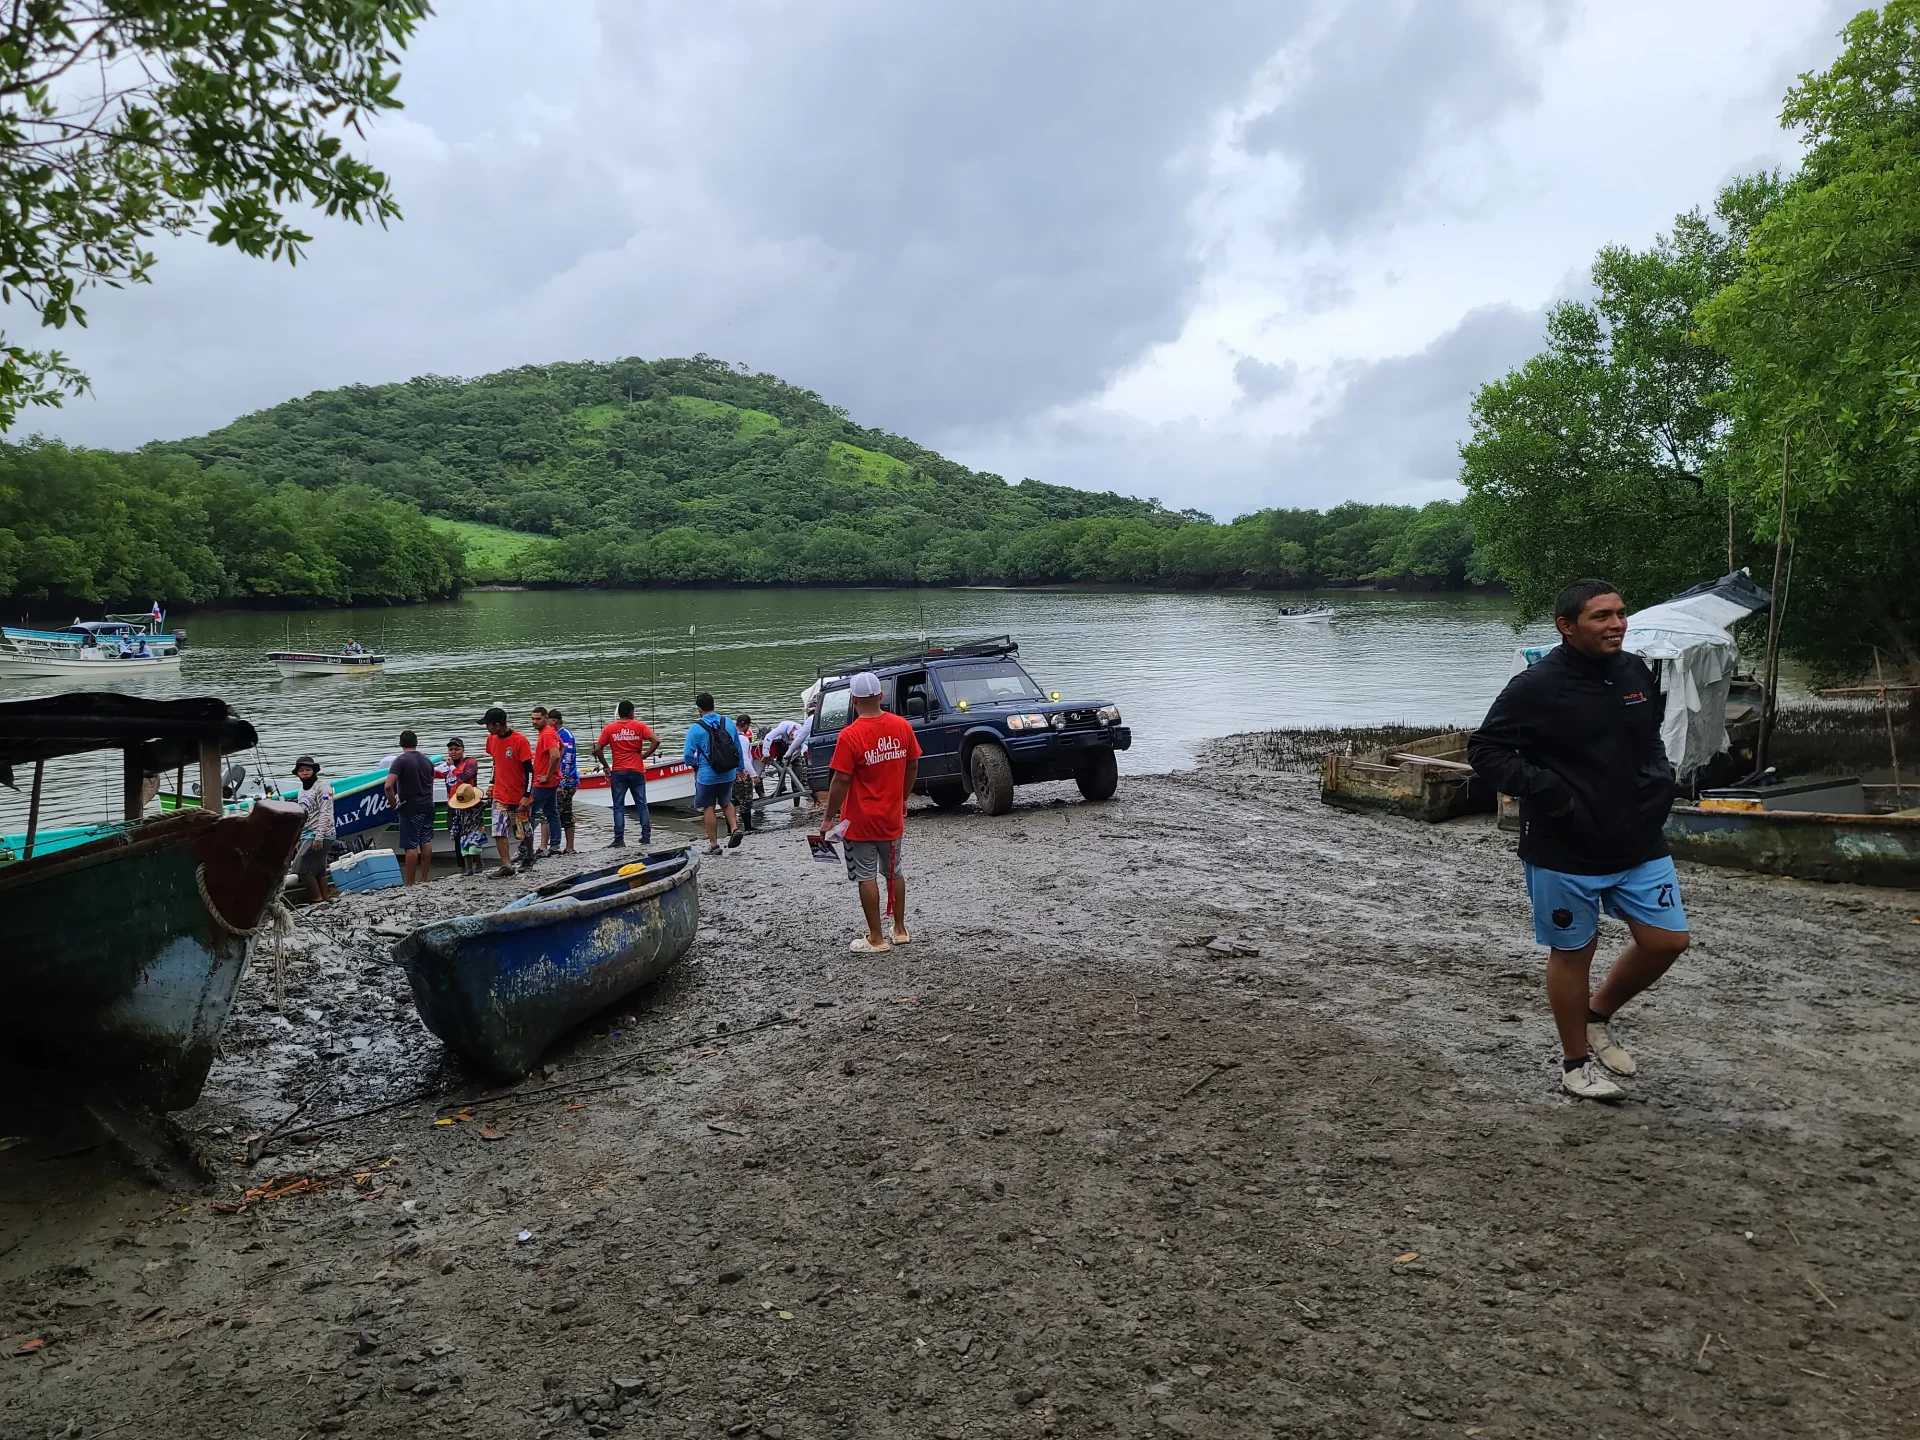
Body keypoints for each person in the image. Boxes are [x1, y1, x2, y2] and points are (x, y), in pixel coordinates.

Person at [1468, 578, 1690, 1102]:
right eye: (1601, 617)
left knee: (1667, 941)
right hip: (1565, 845)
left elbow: (1648, 735)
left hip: (1637, 837)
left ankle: (1597, 1016)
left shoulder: (1635, 670)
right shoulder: (1538, 685)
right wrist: (1551, 792)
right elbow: (1486, 750)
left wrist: (1660, 780)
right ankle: (1575, 1066)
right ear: (1566, 627)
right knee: (1573, 954)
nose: (1616, 624)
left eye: (1620, 613)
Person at [819, 671, 921, 952]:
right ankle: (899, 929)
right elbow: (913, 764)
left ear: (853, 700)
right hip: (891, 816)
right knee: (894, 872)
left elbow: (840, 780)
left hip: (860, 821)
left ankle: (876, 938)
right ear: (880, 696)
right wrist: (902, 798)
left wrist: (829, 817)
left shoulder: (850, 735)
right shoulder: (902, 726)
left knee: (866, 875)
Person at [683, 692, 744, 856]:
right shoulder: (728, 722)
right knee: (726, 802)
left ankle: (714, 845)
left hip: (707, 775)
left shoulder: (696, 728)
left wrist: (694, 766)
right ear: (714, 705)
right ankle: (734, 828)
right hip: (728, 772)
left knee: (708, 807)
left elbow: (688, 755)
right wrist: (740, 768)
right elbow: (737, 748)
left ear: (699, 709)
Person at [595, 700, 659, 849]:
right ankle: (645, 837)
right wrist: (643, 756)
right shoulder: (639, 726)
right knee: (642, 804)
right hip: (637, 770)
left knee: (618, 806)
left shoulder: (609, 728)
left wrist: (605, 766)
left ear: (619, 713)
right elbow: (656, 741)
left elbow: (598, 749)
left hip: (618, 771)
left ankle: (619, 839)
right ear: (631, 713)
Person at [482, 705, 535, 877]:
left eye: (488, 725)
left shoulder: (520, 741)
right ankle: (507, 866)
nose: (487, 728)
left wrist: (526, 795)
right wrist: (491, 783)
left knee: (523, 830)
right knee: (498, 829)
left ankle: (529, 855)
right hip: (500, 794)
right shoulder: (491, 739)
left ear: (497, 725)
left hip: (519, 794)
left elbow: (530, 770)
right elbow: (495, 762)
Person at [384, 730, 437, 885]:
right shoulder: (427, 760)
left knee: (410, 845)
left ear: (401, 744)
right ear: (416, 742)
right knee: (425, 841)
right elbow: (431, 782)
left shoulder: (400, 761)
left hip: (410, 807)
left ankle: (410, 882)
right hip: (428, 805)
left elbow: (388, 786)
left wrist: (394, 804)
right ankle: (424, 878)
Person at [290, 756, 336, 903]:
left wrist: (319, 836)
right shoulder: (301, 791)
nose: (305, 773)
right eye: (301, 771)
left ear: (314, 771)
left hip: (322, 833)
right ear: (297, 773)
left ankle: (317, 899)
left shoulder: (324, 788)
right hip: (307, 832)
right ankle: (325, 899)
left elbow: (326, 812)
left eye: (308, 770)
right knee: (319, 868)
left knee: (300, 867)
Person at [436, 738, 485, 877]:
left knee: (472, 835)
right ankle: (463, 868)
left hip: (470, 804)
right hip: (453, 805)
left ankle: (478, 862)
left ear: (463, 750)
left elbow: (464, 777)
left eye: (456, 749)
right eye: (451, 749)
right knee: (456, 835)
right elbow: (429, 773)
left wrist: (451, 767)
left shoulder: (470, 762)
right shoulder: (446, 766)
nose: (453, 752)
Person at [528, 706, 565, 860]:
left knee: (528, 812)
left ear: (547, 718)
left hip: (543, 782)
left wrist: (548, 775)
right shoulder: (550, 732)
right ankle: (555, 846)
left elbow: (555, 755)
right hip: (551, 780)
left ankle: (525, 848)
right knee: (552, 812)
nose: (534, 722)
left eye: (538, 719)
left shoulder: (548, 733)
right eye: (533, 719)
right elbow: (561, 747)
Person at [550, 707, 580, 855]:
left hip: (565, 782)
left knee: (553, 814)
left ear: (553, 721)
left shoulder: (565, 735)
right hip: (566, 781)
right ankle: (569, 847)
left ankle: (551, 846)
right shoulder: (556, 735)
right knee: (566, 814)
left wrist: (561, 783)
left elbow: (566, 760)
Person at [760, 716, 805, 800]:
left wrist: (789, 760)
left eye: (794, 737)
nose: (792, 737)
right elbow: (769, 737)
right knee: (780, 762)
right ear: (791, 730)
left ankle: (797, 807)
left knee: (796, 783)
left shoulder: (801, 734)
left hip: (795, 751)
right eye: (791, 735)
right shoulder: (784, 726)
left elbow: (799, 750)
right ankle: (781, 786)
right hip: (783, 747)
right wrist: (766, 755)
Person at [732, 713, 760, 833]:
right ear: (747, 725)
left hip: (730, 774)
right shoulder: (742, 739)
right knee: (746, 801)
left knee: (732, 802)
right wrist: (754, 775)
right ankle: (748, 827)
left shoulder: (730, 737)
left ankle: (731, 829)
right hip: (742, 773)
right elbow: (745, 758)